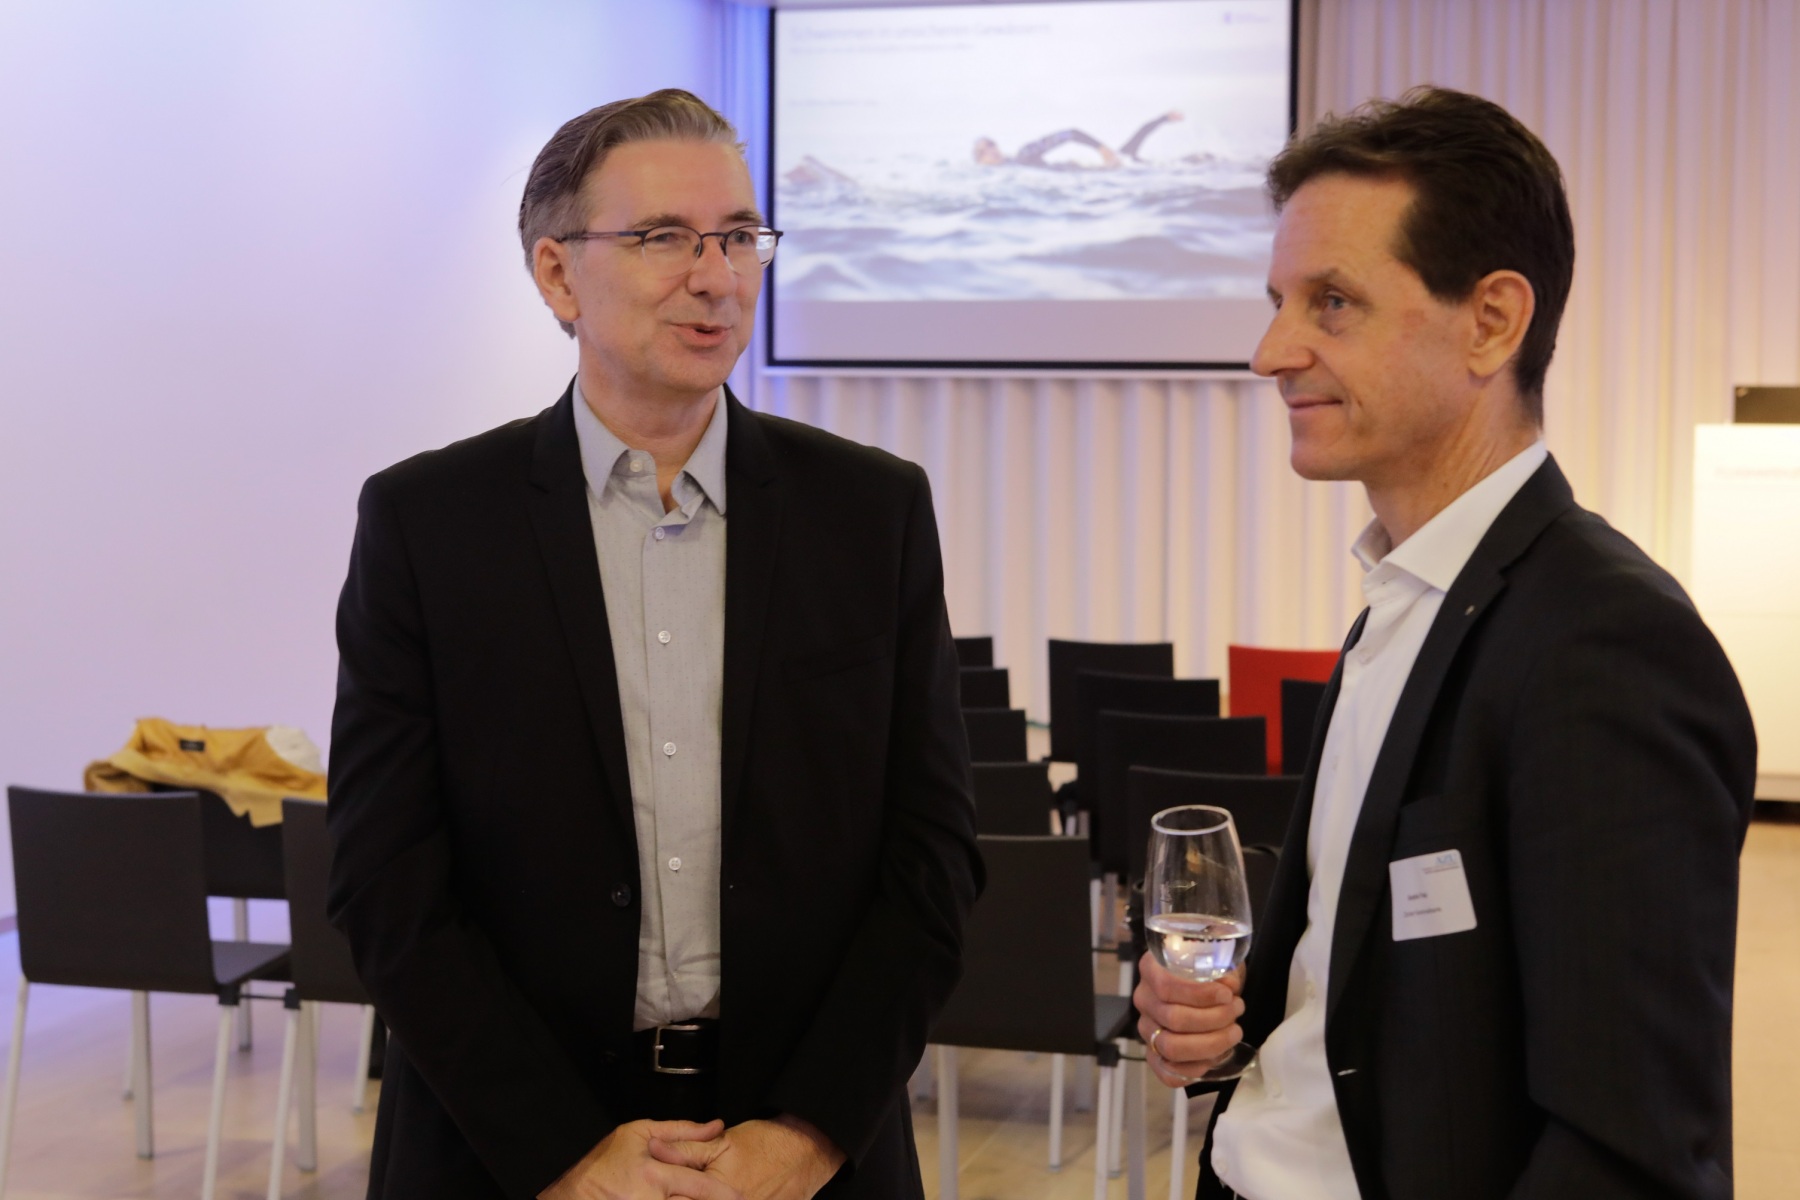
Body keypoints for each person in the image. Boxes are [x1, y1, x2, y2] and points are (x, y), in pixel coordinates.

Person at [327, 88, 981, 1200]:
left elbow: (933, 856)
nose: (717, 276)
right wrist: (561, 1155)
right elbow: (385, 877)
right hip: (509, 1151)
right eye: (664, 238)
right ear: (556, 275)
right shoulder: (429, 523)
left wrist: (810, 1135)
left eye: (738, 235)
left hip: (801, 1142)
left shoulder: (871, 512)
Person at [1134, 86, 1756, 1199]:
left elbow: (1631, 1149)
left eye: (1332, 303)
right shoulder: (1403, 597)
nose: (1270, 353)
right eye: (1278, 302)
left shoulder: (1608, 643)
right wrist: (1235, 1027)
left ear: (1494, 321)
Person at [973, 110, 1182, 168]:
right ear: (979, 161)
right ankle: (1163, 119)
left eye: (990, 145)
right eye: (982, 151)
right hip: (1101, 175)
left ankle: (1163, 119)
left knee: (1129, 159)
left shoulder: (1025, 155)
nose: (990, 151)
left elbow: (1070, 133)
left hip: (1103, 173)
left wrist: (1101, 148)